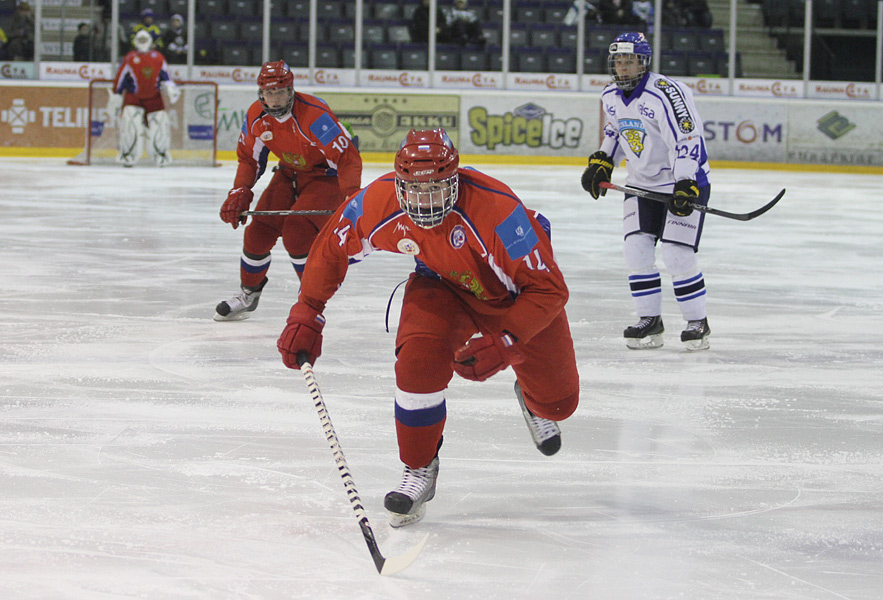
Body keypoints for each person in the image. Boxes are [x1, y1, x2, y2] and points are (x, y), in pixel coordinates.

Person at [276, 129, 580, 527]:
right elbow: (332, 247)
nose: (424, 201)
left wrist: (507, 340)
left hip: (515, 297)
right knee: (418, 361)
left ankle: (532, 395)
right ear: (399, 185)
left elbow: (549, 289)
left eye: (437, 188)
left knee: (559, 405)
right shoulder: (378, 201)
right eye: (414, 190)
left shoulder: (498, 211)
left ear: (455, 180)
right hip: (442, 285)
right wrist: (308, 310)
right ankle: (419, 468)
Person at [580, 32, 712, 351]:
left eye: (630, 61)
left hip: (683, 183)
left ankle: (698, 322)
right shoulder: (610, 95)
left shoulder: (667, 94)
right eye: (619, 62)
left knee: (676, 254)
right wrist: (602, 161)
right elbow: (616, 131)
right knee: (636, 251)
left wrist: (685, 183)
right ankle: (649, 319)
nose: (623, 68)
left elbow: (687, 140)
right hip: (640, 184)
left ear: (644, 63)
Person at [215, 60, 362, 322]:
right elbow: (249, 159)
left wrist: (352, 198)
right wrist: (240, 190)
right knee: (259, 230)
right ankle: (248, 294)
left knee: (297, 232)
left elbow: (348, 159)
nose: (275, 98)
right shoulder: (255, 117)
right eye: (269, 92)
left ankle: (311, 299)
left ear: (291, 90)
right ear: (261, 94)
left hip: (325, 177)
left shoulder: (315, 116)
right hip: (288, 172)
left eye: (280, 91)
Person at [106, 29, 181, 167]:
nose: (142, 43)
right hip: (133, 97)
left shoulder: (158, 58)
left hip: (154, 98)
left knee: (159, 128)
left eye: (144, 40)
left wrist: (171, 88)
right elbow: (120, 77)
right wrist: (117, 93)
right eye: (140, 40)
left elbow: (166, 76)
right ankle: (128, 156)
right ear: (135, 42)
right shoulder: (129, 58)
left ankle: (160, 156)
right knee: (130, 128)